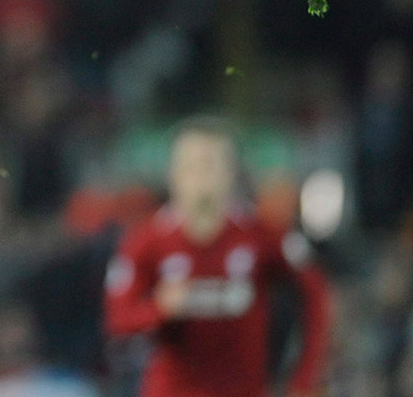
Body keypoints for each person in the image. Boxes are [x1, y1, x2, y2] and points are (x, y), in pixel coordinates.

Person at [103, 116, 330, 397]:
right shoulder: (146, 241)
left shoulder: (261, 235)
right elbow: (118, 319)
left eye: (210, 165)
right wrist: (160, 310)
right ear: (173, 173)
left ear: (231, 173)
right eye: (191, 166)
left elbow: (316, 294)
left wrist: (305, 377)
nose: (201, 178)